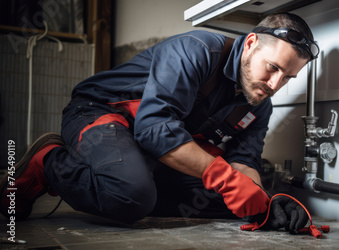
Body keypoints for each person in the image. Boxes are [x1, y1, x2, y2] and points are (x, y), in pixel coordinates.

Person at [1, 13, 319, 232]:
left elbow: (243, 161)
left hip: (152, 148)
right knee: (130, 196)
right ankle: (49, 163)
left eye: (288, 77)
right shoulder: (198, 51)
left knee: (231, 205)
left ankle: (136, 182)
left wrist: (263, 205)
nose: (276, 84)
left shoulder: (258, 103)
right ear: (250, 44)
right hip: (100, 112)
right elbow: (155, 128)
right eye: (273, 68)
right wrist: (224, 177)